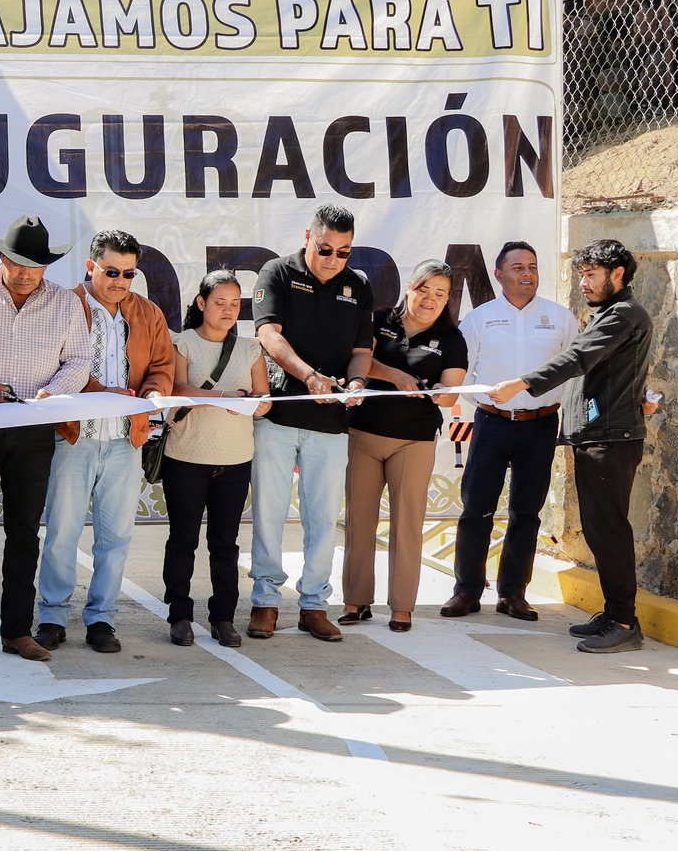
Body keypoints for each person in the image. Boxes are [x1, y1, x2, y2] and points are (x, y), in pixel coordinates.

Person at [489, 239, 657, 654]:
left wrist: (522, 383)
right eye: (580, 274)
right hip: (598, 435)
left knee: (610, 531)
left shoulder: (623, 314)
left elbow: (578, 357)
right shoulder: (610, 314)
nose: (583, 282)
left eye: (591, 274)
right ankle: (614, 611)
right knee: (600, 532)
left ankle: (623, 622)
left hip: (611, 439)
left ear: (618, 274)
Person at [0, 215, 92, 662]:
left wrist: (55, 393)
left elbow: (79, 360)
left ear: (47, 265)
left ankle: (17, 632)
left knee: (24, 531)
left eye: (36, 265)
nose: (26, 272)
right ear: (2, 257)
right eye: (18, 262)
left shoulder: (64, 303)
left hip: (34, 429)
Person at [38, 229, 178, 654]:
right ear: (91, 266)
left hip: (125, 440)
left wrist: (154, 393)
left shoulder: (148, 312)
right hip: (74, 437)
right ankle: (52, 616)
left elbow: (161, 364)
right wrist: (101, 393)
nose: (120, 281)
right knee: (62, 532)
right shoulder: (63, 305)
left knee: (116, 536)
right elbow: (52, 365)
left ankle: (101, 618)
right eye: (111, 271)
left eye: (129, 273)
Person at [248, 203, 376, 642]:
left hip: (331, 423)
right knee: (269, 512)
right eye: (325, 249)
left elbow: (364, 347)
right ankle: (265, 601)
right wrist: (308, 376)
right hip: (279, 414)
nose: (333, 260)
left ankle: (314, 605)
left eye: (343, 252)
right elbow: (268, 334)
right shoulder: (276, 273)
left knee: (323, 517)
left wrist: (357, 380)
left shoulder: (358, 286)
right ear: (308, 236)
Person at [444, 241, 577, 622]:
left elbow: (573, 369)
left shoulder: (560, 318)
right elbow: (463, 373)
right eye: (517, 267)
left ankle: (513, 593)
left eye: (532, 267)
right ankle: (466, 591)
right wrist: (491, 407)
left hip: (540, 426)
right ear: (499, 275)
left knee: (527, 511)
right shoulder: (479, 319)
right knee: (476, 509)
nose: (527, 274)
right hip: (492, 424)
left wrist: (546, 404)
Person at [339, 260, 467, 633]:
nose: (430, 299)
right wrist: (394, 375)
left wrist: (443, 393)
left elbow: (449, 390)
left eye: (440, 294)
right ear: (410, 287)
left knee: (407, 524)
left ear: (447, 300)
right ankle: (356, 601)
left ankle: (402, 607)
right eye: (424, 290)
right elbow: (360, 361)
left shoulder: (452, 339)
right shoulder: (379, 320)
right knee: (359, 521)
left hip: (414, 441)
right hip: (363, 435)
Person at [160, 272, 269, 648]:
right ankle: (179, 615)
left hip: (236, 460)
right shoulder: (182, 342)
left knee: (225, 543)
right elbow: (176, 389)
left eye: (235, 304)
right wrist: (225, 396)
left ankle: (223, 616)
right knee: (183, 539)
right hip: (186, 457)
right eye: (219, 302)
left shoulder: (251, 348)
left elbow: (264, 399)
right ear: (201, 303)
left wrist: (255, 405)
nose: (227, 310)